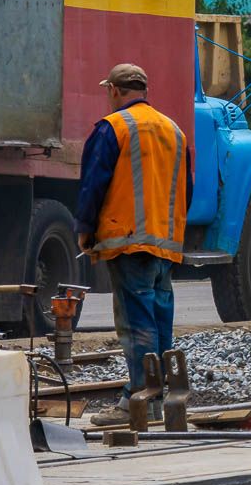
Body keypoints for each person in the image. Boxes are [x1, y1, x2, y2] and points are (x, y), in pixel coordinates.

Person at [76, 63, 193, 426]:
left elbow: (94, 183)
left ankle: (137, 401)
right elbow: (187, 189)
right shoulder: (174, 131)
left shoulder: (113, 128)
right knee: (159, 324)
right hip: (165, 244)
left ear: (113, 90)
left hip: (128, 242)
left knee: (136, 325)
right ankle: (163, 400)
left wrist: (85, 229)